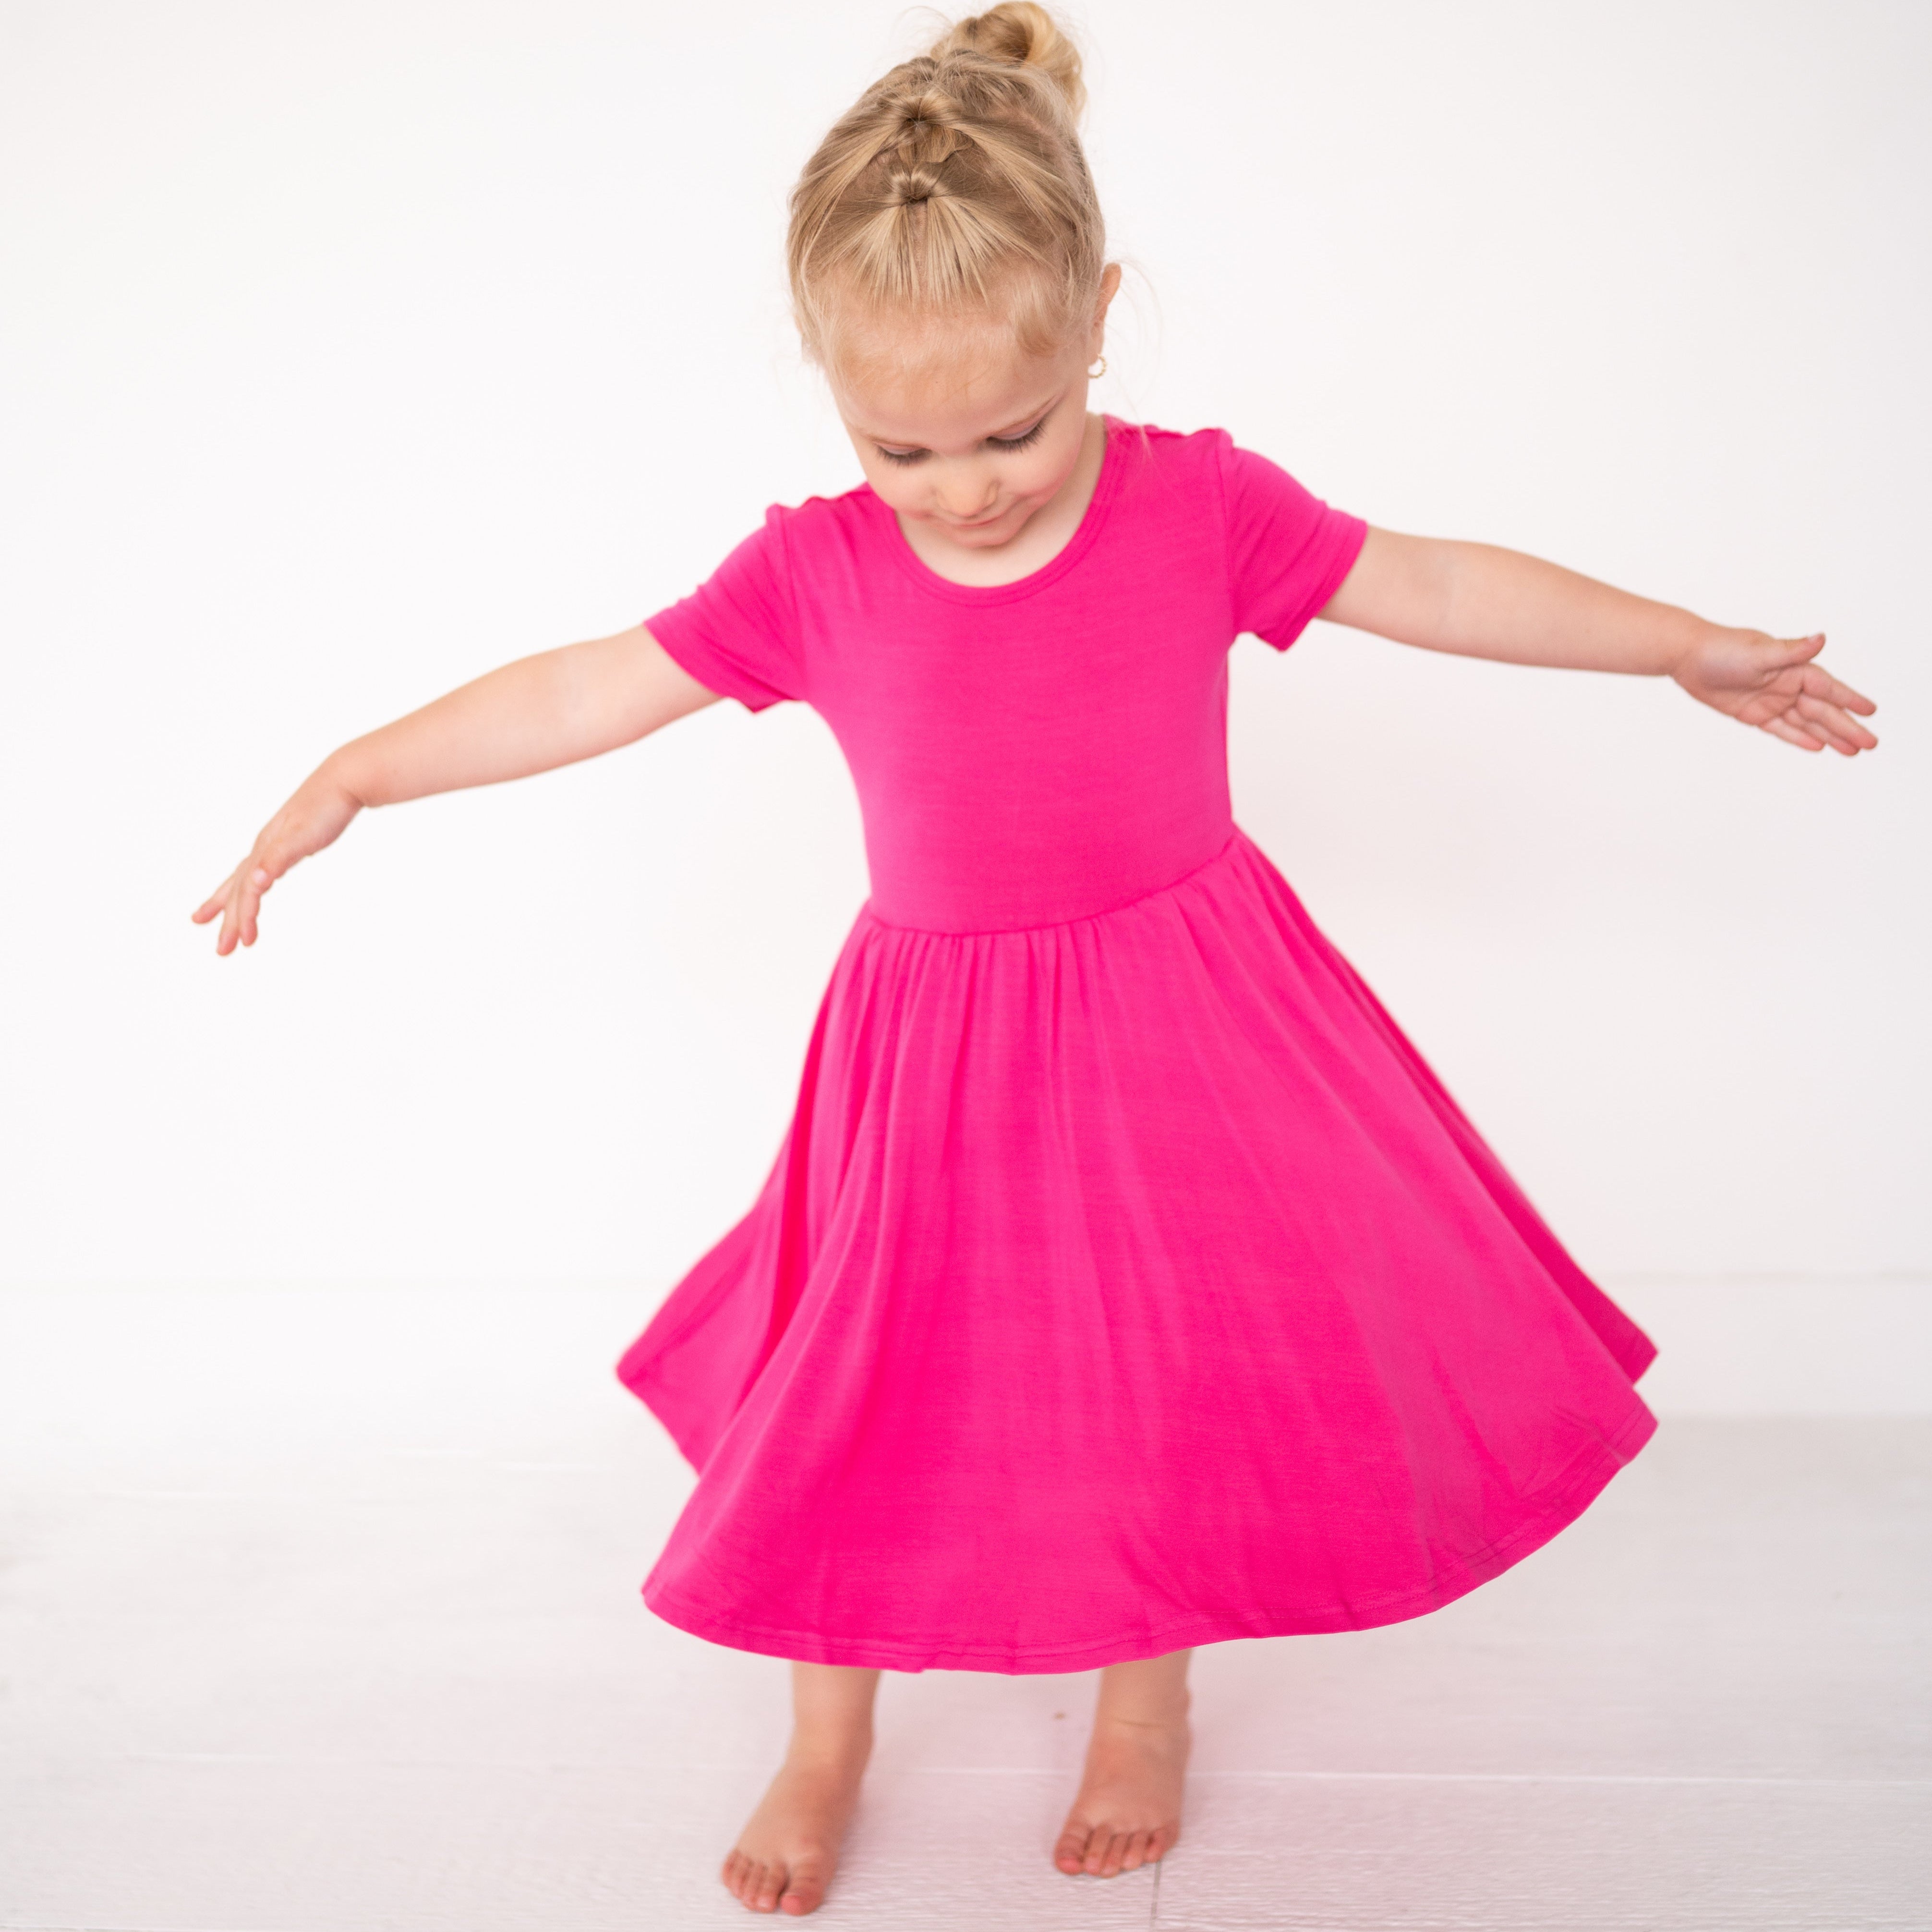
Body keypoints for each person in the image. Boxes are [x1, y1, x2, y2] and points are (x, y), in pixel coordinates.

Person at [193, 5, 1879, 1917]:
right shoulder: (814, 570)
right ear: (833, 398)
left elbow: (1430, 580)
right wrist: (355, 775)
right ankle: (826, 1732)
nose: (966, 484)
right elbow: (589, 686)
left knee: (1154, 1362)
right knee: (864, 1381)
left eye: (1014, 430)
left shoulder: (1202, 507)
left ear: (1096, 327)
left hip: (1180, 1019)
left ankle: (1142, 1698)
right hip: (929, 1052)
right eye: (900, 448)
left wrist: (1681, 644)